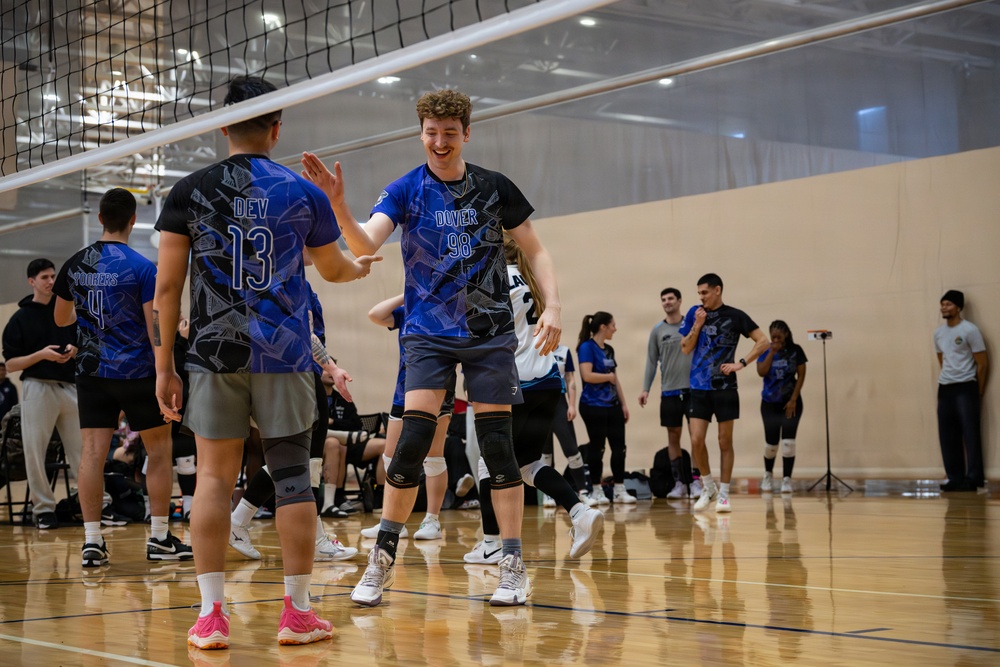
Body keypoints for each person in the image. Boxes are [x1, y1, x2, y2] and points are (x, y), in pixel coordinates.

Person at [300, 88, 562, 608]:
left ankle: (512, 565)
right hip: (428, 333)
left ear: (466, 132)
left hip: (488, 333)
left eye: (449, 132)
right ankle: (381, 561)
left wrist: (553, 305)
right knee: (413, 440)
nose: (439, 142)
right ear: (420, 132)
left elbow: (535, 247)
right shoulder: (404, 190)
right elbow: (364, 245)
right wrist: (336, 204)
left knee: (497, 447)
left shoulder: (492, 186)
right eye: (430, 132)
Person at [152, 75, 379, 650]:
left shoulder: (188, 191)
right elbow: (333, 270)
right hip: (283, 350)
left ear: (223, 125)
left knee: (211, 478)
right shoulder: (303, 192)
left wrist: (164, 365)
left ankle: (210, 617)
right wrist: (360, 266)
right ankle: (297, 614)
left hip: (211, 350)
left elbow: (167, 287)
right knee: (292, 476)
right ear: (277, 129)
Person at [53, 187, 193, 567]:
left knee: (92, 456)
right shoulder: (144, 267)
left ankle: (93, 542)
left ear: (100, 218)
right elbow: (155, 327)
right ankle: (161, 537)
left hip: (91, 374)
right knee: (160, 453)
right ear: (133, 220)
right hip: (137, 372)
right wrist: (168, 369)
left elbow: (61, 320)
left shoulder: (74, 265)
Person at [464, 235, 602, 564]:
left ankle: (492, 543)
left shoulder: (493, 281)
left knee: (489, 462)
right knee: (527, 464)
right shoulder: (531, 280)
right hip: (547, 381)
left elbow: (480, 332)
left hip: (515, 383)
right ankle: (580, 510)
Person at [359, 293, 452, 542]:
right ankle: (393, 521)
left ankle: (432, 520)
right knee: (390, 457)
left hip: (437, 389)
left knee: (433, 458)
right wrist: (407, 294)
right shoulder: (407, 311)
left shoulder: (446, 309)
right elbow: (375, 314)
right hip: (404, 390)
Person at [1, 258, 83, 530]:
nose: (50, 281)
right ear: (31, 281)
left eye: (52, 276)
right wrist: (40, 355)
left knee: (83, 452)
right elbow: (11, 364)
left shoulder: (67, 312)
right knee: (35, 451)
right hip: (37, 386)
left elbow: (82, 344)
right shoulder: (20, 318)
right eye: (45, 277)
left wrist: (74, 350)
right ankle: (43, 509)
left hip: (70, 386)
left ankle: (92, 504)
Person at [680, 273, 769, 513]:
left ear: (717, 290)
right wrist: (697, 326)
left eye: (705, 292)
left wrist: (742, 362)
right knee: (696, 439)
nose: (701, 297)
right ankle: (709, 487)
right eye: (699, 293)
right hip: (699, 387)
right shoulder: (693, 314)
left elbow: (763, 341)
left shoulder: (736, 316)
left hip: (725, 388)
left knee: (724, 441)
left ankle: (725, 494)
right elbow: (685, 348)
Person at [638, 287, 695, 499]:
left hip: (692, 391)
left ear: (679, 301)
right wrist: (645, 389)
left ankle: (697, 482)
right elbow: (652, 362)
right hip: (669, 392)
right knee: (673, 437)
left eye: (671, 298)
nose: (667, 302)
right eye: (663, 299)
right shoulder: (657, 330)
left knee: (696, 437)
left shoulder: (691, 326)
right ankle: (679, 483)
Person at [577, 311, 634, 505]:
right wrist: (607, 378)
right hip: (593, 405)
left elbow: (615, 379)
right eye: (613, 326)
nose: (615, 329)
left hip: (613, 405)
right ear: (603, 327)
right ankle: (596, 489)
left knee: (620, 448)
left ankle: (619, 489)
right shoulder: (586, 347)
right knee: (597, 447)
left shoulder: (609, 350)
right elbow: (587, 375)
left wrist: (624, 404)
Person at [934, 290, 989, 492]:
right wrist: (948, 376)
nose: (943, 308)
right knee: (947, 434)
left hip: (966, 387)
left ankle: (973, 478)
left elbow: (982, 363)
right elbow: (942, 358)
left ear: (958, 307)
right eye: (942, 304)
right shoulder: (938, 333)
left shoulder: (970, 330)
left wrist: (978, 390)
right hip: (945, 387)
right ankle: (954, 478)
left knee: (971, 433)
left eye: (948, 304)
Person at [755, 320, 807, 495]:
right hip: (769, 402)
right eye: (773, 336)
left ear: (786, 334)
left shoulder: (795, 350)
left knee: (788, 443)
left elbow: (801, 374)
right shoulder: (765, 349)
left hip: (791, 403)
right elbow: (761, 371)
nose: (776, 339)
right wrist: (772, 352)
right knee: (771, 444)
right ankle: (768, 475)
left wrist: (793, 399)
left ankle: (787, 479)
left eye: (779, 336)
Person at [542, 344, 593, 507]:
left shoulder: (564, 351)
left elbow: (570, 379)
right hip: (541, 404)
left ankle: (583, 492)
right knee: (545, 453)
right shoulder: (534, 347)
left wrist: (571, 405)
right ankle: (547, 494)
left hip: (560, 403)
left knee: (571, 449)